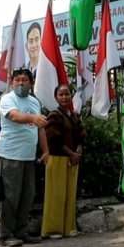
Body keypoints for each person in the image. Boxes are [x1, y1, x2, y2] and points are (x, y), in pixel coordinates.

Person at [0, 68, 49, 247]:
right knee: (10, 196)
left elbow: (40, 128)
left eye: (24, 80)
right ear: (12, 82)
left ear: (31, 83)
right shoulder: (7, 99)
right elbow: (15, 116)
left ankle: (21, 231)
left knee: (27, 195)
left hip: (28, 156)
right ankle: (5, 234)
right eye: (17, 80)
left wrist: (45, 150)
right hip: (10, 154)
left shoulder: (34, 102)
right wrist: (33, 118)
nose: (20, 83)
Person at [41, 84, 87, 239]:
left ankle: (68, 228)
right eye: (61, 94)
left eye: (67, 94)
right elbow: (54, 139)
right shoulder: (53, 115)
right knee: (56, 195)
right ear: (56, 97)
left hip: (72, 160)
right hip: (57, 159)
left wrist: (77, 153)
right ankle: (53, 229)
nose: (64, 97)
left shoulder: (74, 115)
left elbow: (82, 135)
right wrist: (71, 153)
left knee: (69, 195)